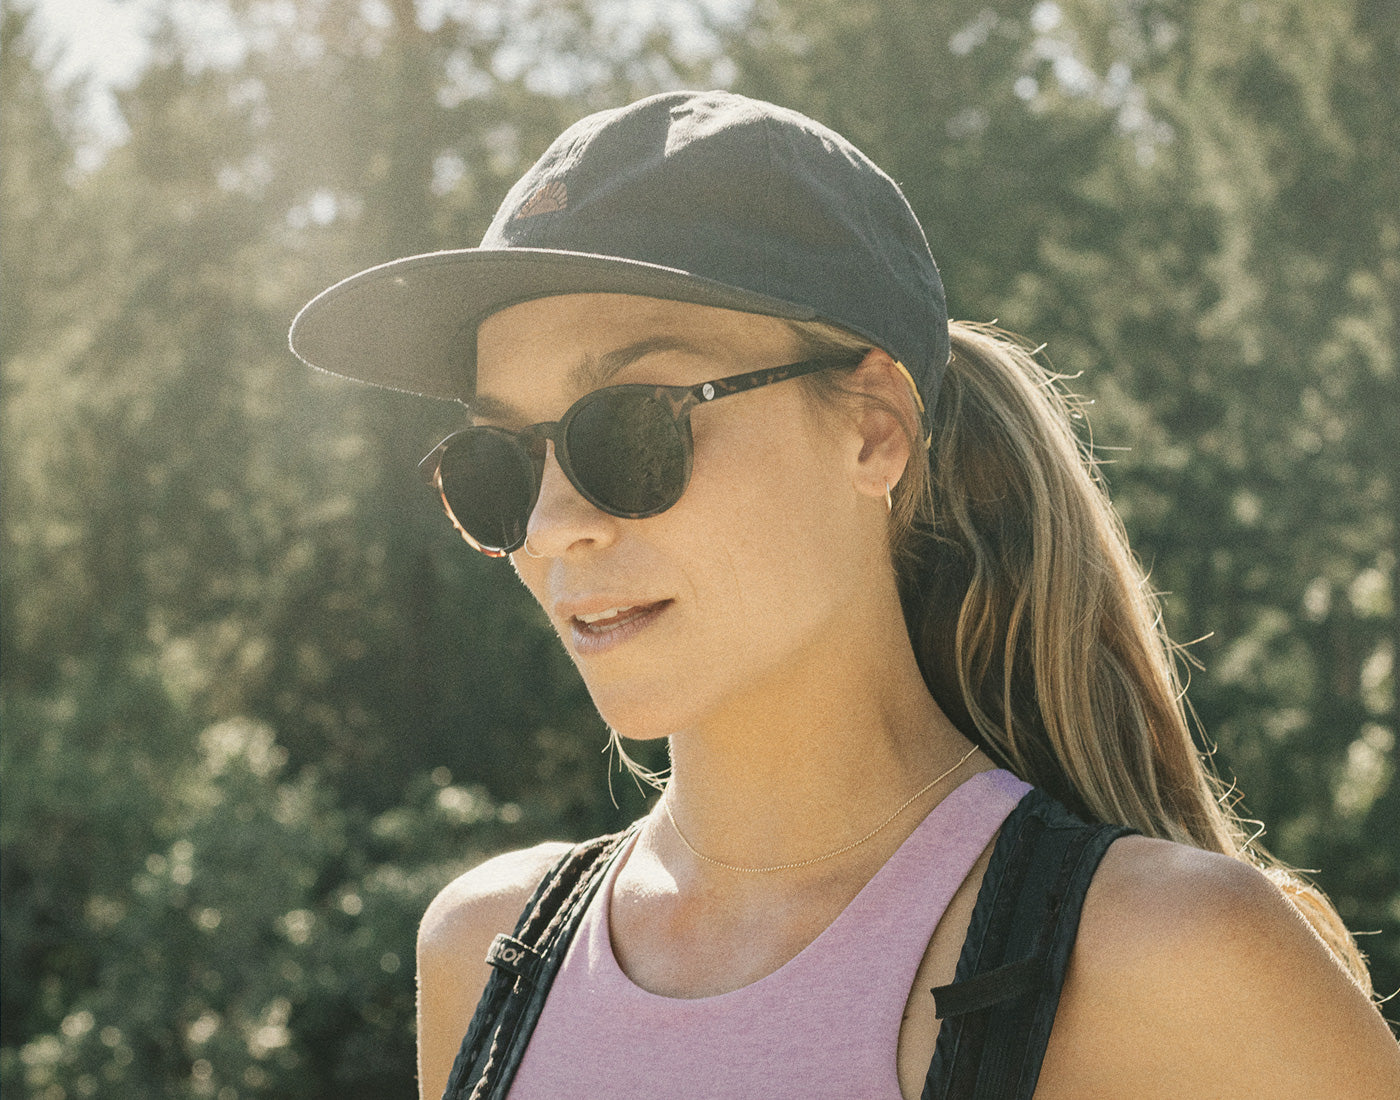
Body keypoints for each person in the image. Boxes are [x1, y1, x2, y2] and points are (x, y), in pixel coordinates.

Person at [290, 91, 1400, 1099]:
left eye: (630, 427)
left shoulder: (1167, 961)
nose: (549, 525)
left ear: (874, 429)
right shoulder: (486, 958)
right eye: (498, 463)